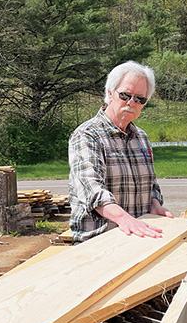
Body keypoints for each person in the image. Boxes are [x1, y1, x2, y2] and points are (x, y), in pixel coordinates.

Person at [68, 61, 173, 244]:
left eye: (140, 99)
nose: (132, 103)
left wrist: (155, 204)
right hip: (97, 243)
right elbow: (91, 190)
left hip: (136, 238)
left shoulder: (141, 137)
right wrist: (124, 219)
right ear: (110, 93)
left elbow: (151, 184)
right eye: (125, 95)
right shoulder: (87, 135)